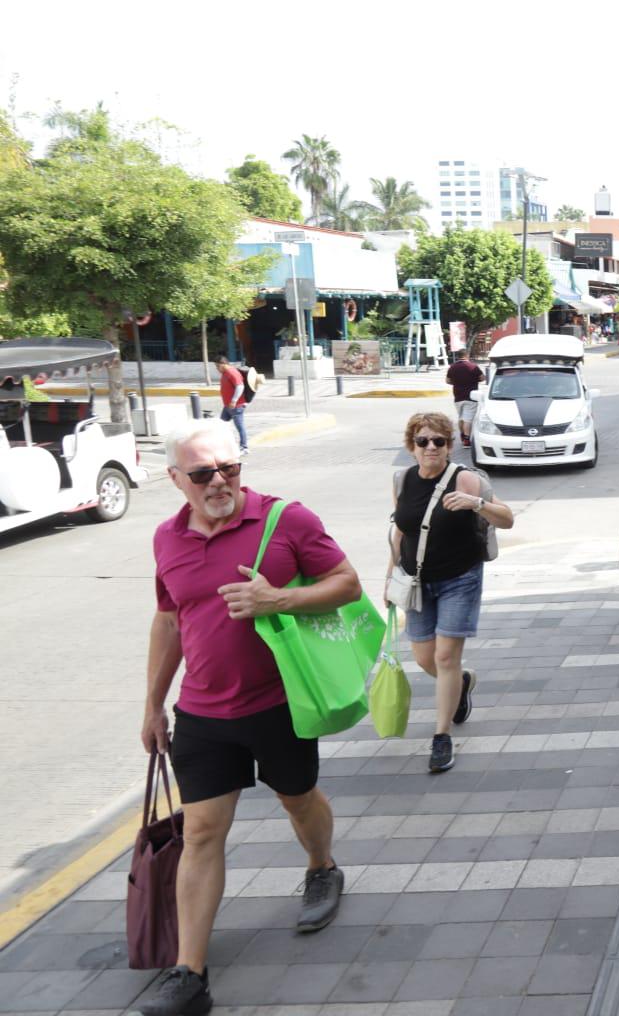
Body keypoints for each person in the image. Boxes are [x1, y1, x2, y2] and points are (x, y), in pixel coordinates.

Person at [140, 419, 358, 1016]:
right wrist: (154, 704)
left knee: (298, 797)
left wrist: (280, 598)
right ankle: (190, 975)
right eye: (203, 473)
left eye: (229, 468)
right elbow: (169, 620)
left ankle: (322, 867)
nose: (219, 482)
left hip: (279, 704)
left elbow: (347, 583)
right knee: (203, 831)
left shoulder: (286, 519)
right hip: (203, 713)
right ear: (175, 479)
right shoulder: (166, 538)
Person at [388, 412, 514, 773]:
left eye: (438, 441)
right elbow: (400, 530)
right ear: (411, 446)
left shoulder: (468, 480)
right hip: (416, 582)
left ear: (449, 445)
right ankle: (461, 683)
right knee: (426, 657)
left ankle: (441, 737)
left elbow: (507, 518)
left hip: (460, 578)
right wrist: (389, 575)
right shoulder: (402, 480)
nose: (430, 448)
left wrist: (477, 504)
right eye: (422, 441)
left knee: (444, 657)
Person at [445, 348, 484, 448]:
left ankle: (462, 435)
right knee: (468, 419)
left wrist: (457, 382)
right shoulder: (473, 366)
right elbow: (482, 378)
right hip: (471, 396)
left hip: (458, 396)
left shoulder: (452, 367)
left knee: (461, 418)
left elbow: (448, 381)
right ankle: (466, 440)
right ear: (467, 355)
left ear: (459, 356)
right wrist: (473, 380)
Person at [215, 354, 249, 455]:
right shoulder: (226, 372)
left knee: (240, 427)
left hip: (236, 406)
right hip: (228, 406)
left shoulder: (231, 372)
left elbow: (240, 386)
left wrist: (234, 400)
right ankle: (223, 445)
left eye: (217, 366)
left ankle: (244, 447)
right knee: (221, 425)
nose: (217, 369)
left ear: (223, 364)